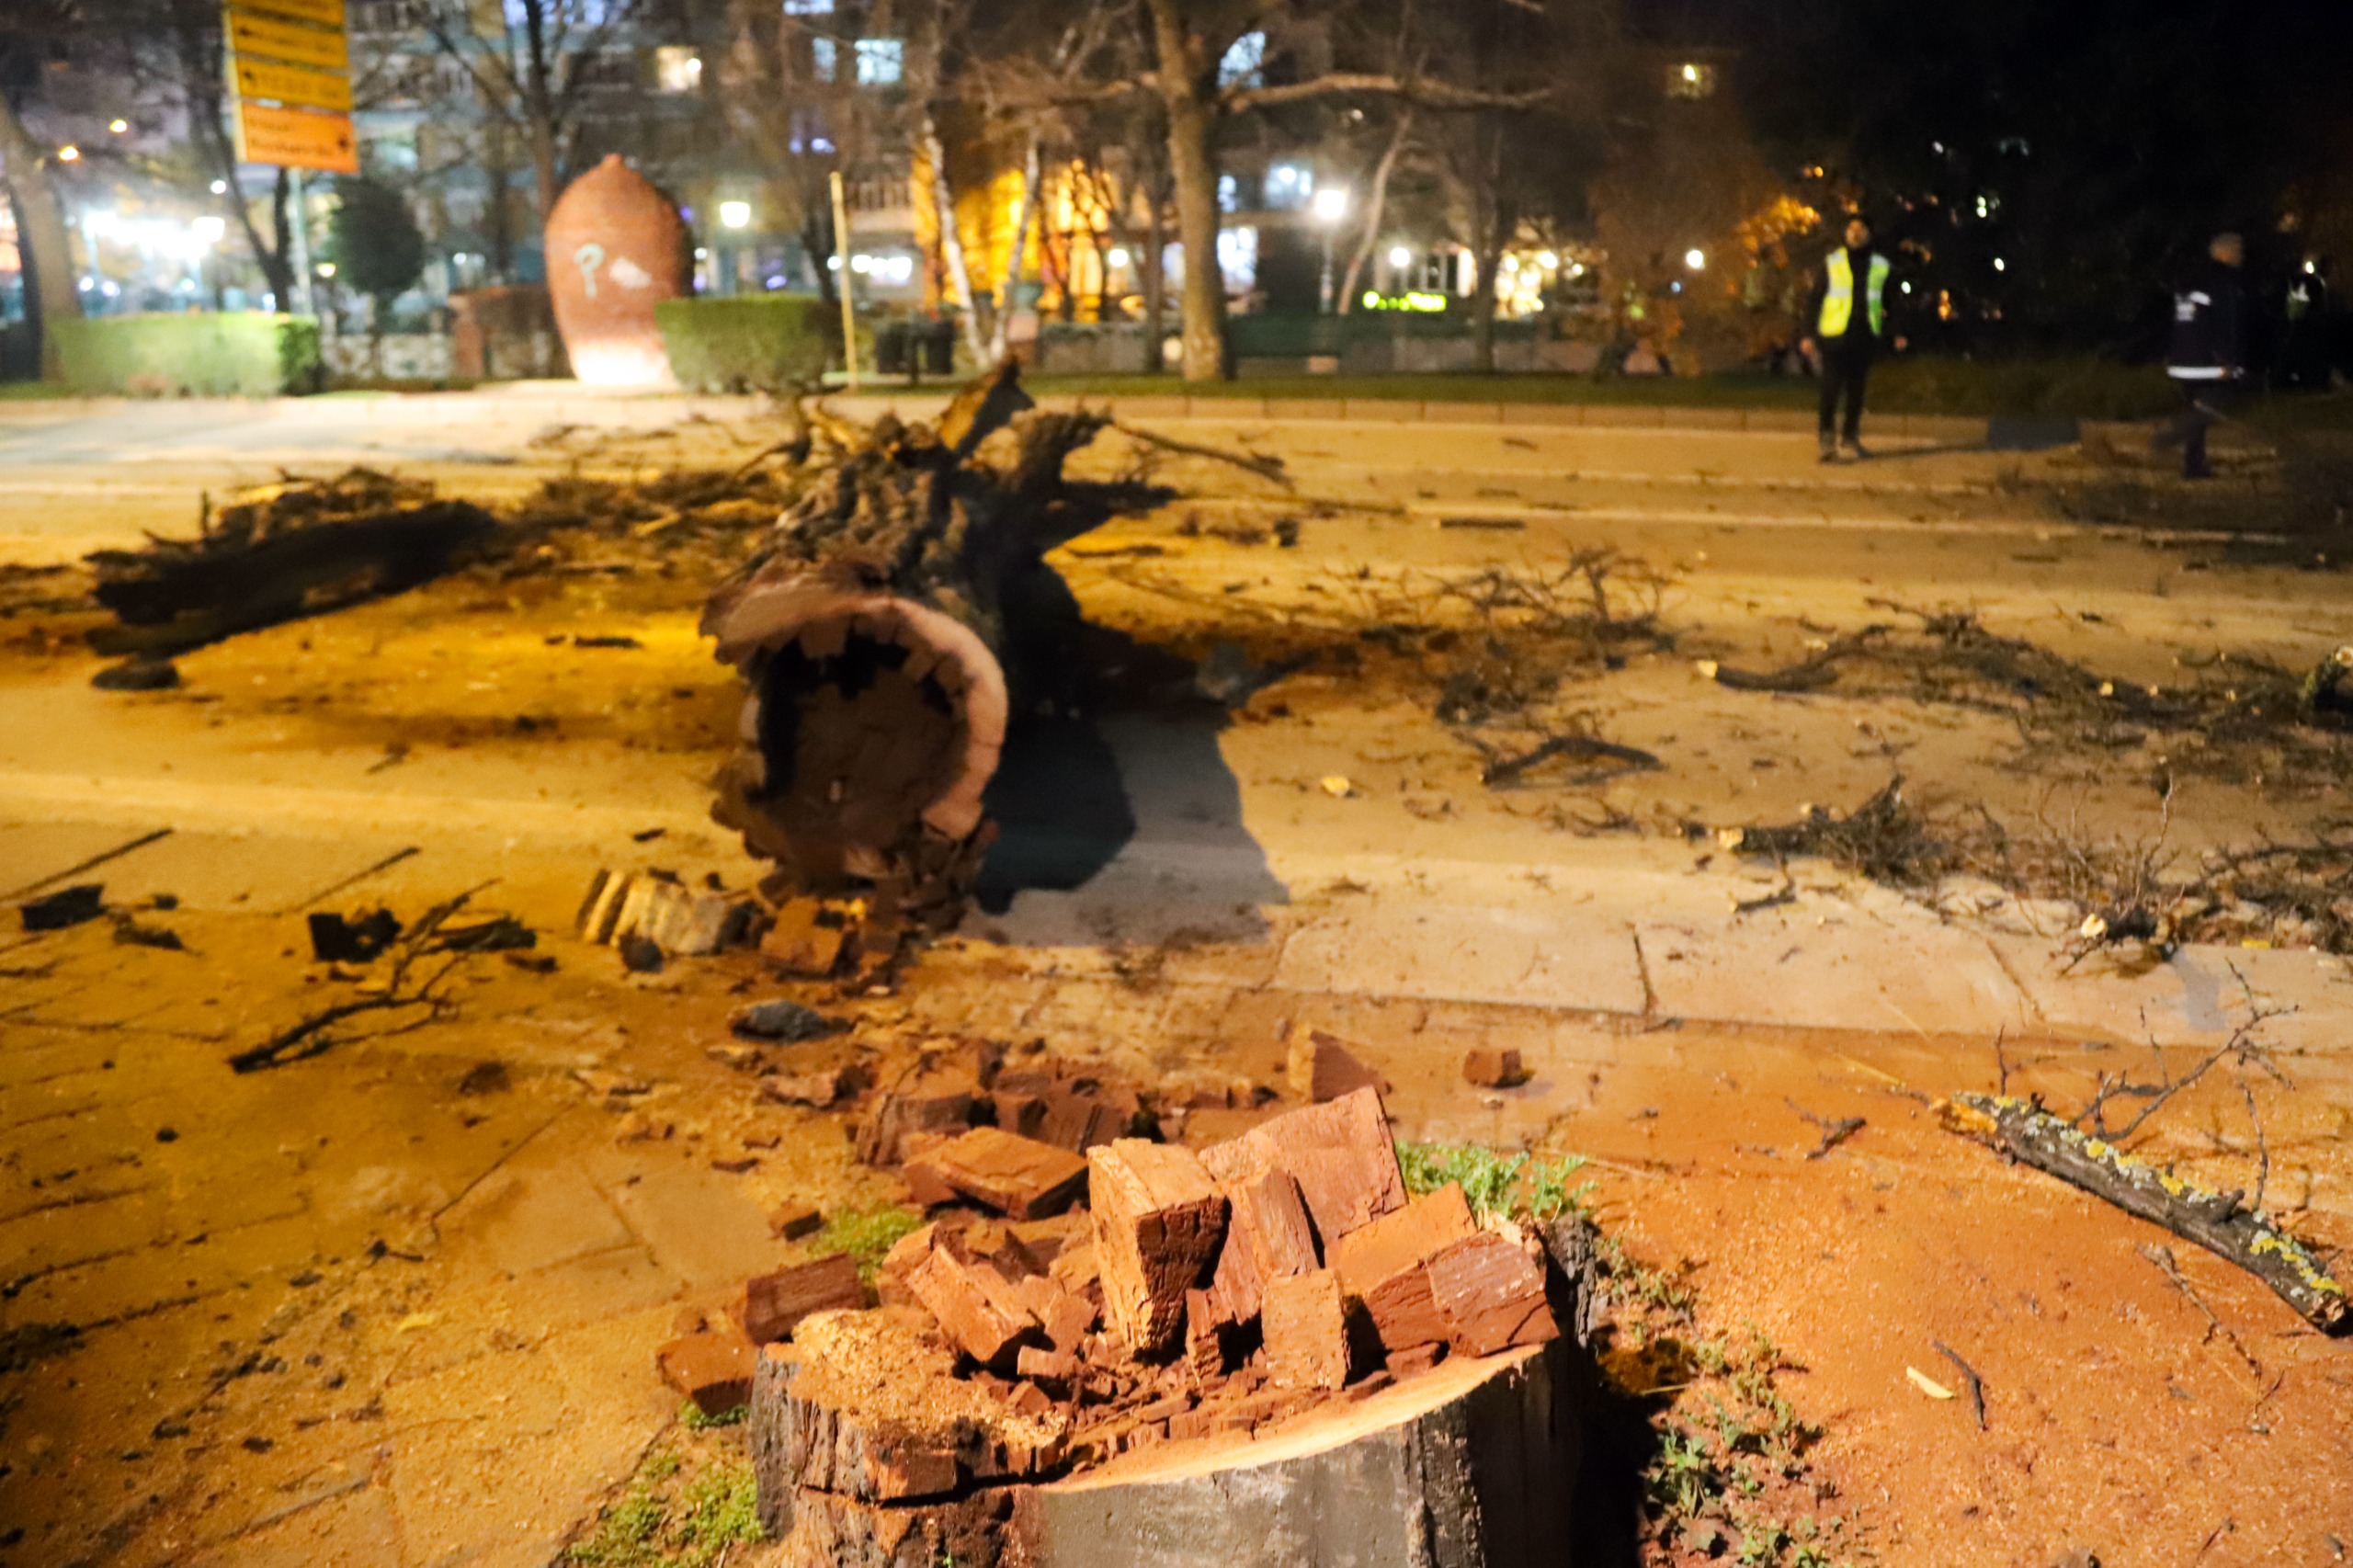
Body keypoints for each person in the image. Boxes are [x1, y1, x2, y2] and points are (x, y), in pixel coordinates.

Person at [1802, 216, 1903, 461]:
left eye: (1861, 229)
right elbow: (1815, 299)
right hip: (1835, 335)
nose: (1855, 233)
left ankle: (1850, 434)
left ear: (1869, 233)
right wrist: (1807, 334)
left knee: (1857, 389)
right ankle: (1827, 439)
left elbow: (1892, 301)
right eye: (1851, 229)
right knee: (1831, 388)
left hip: (1864, 334)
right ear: (1845, 234)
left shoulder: (1881, 265)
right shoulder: (1833, 262)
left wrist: (1897, 331)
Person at [2164, 232, 2248, 480]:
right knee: (2212, 405)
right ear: (2223, 253)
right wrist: (2229, 361)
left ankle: (2194, 465)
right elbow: (2225, 325)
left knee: (2199, 410)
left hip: (2181, 361)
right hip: (2206, 363)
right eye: (2237, 251)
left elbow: (2179, 321)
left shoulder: (2192, 280)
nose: (2241, 257)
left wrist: (2170, 354)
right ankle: (2172, 442)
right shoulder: (2222, 283)